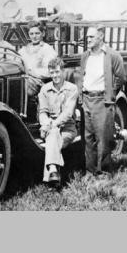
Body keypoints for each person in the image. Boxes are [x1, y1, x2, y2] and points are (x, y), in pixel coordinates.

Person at [81, 25, 125, 175]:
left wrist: (110, 95)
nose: (88, 39)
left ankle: (104, 172)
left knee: (103, 138)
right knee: (88, 138)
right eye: (87, 37)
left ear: (101, 36)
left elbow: (120, 77)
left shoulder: (112, 55)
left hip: (102, 100)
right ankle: (90, 171)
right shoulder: (85, 55)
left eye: (91, 37)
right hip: (86, 99)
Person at [39, 58, 79, 188]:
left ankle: (52, 172)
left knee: (53, 136)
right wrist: (46, 123)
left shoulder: (72, 89)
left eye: (57, 72)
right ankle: (53, 173)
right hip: (49, 127)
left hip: (67, 128)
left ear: (63, 71)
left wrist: (53, 124)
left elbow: (68, 113)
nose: (55, 75)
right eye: (52, 73)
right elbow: (42, 112)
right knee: (53, 133)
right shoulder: (45, 89)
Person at [19, 26, 57, 96]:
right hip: (24, 78)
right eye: (31, 34)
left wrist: (30, 72)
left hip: (39, 82)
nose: (34, 36)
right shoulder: (24, 49)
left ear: (43, 33)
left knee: (20, 84)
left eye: (37, 33)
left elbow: (49, 72)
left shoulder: (48, 49)